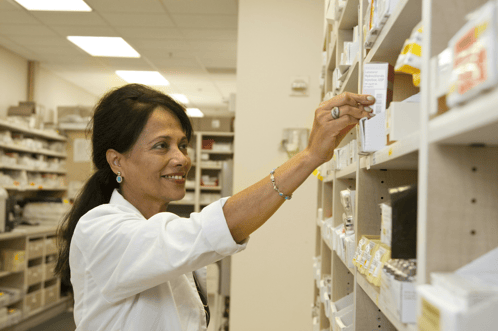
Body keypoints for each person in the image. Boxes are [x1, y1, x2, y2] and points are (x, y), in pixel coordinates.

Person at [55, 83, 375, 330]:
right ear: (117, 161)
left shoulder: (159, 224)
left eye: (182, 145)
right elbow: (214, 229)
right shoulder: (100, 229)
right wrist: (310, 157)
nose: (181, 158)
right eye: (161, 146)